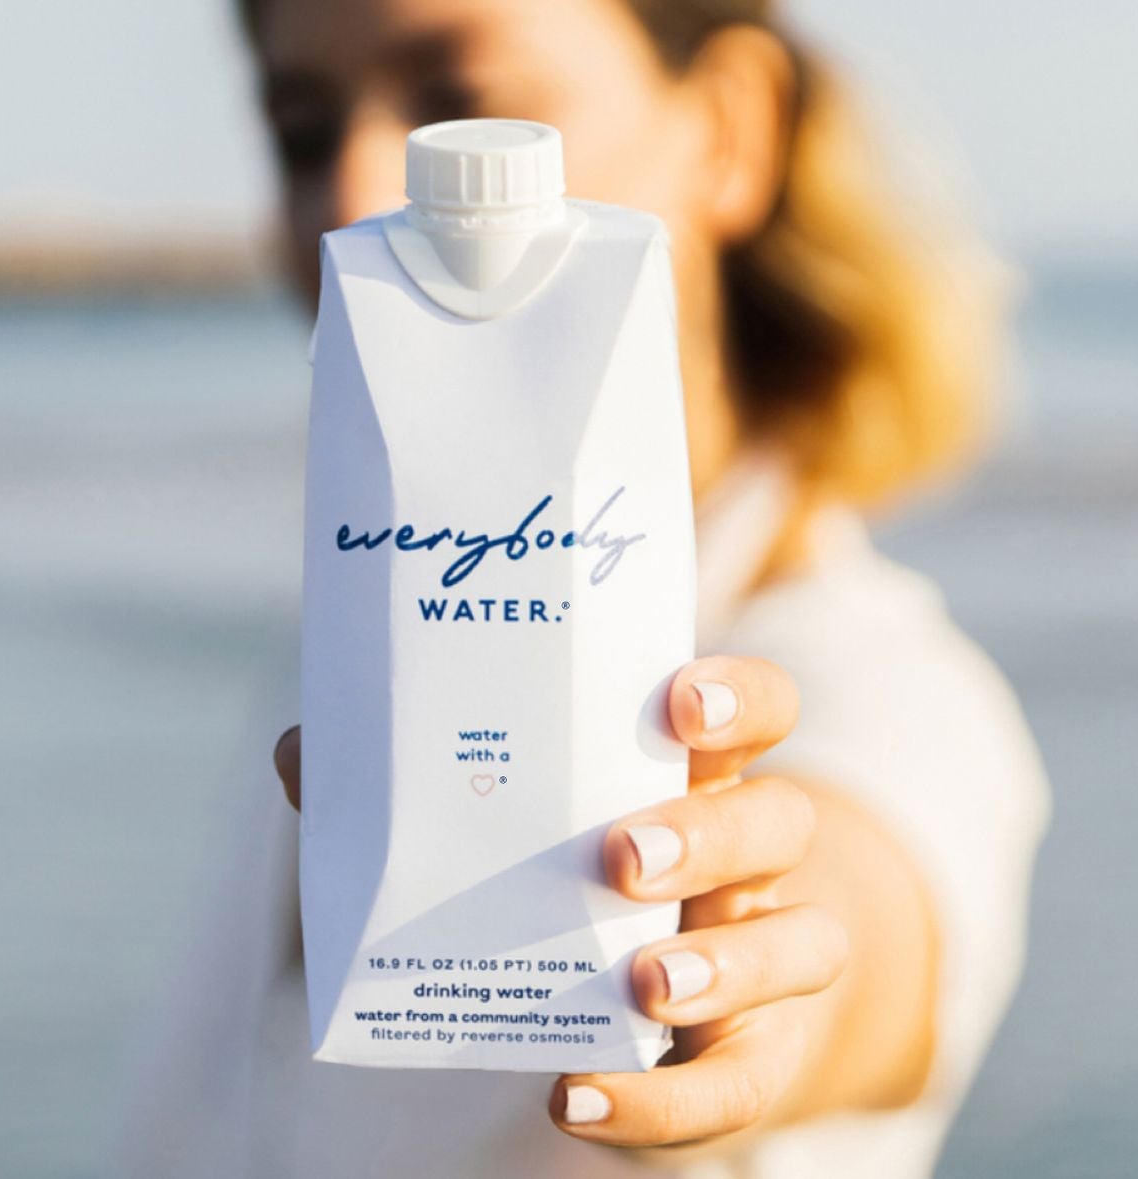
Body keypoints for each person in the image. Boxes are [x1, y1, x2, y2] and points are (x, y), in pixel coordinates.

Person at [122, 1, 1049, 1174]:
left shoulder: (882, 686)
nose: (357, 193)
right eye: (304, 132)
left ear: (729, 129)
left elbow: (863, 931)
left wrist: (741, 987)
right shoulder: (377, 627)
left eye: (465, 112)